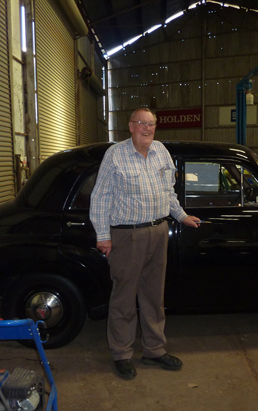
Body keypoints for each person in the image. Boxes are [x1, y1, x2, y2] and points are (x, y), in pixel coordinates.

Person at [89, 108, 200, 380]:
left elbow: (168, 192)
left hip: (158, 231)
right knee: (124, 297)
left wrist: (181, 215)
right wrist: (103, 235)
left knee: (153, 296)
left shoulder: (161, 151)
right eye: (142, 124)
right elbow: (101, 197)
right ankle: (121, 353)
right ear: (131, 126)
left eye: (151, 124)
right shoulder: (115, 155)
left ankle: (154, 349)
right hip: (127, 235)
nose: (147, 129)